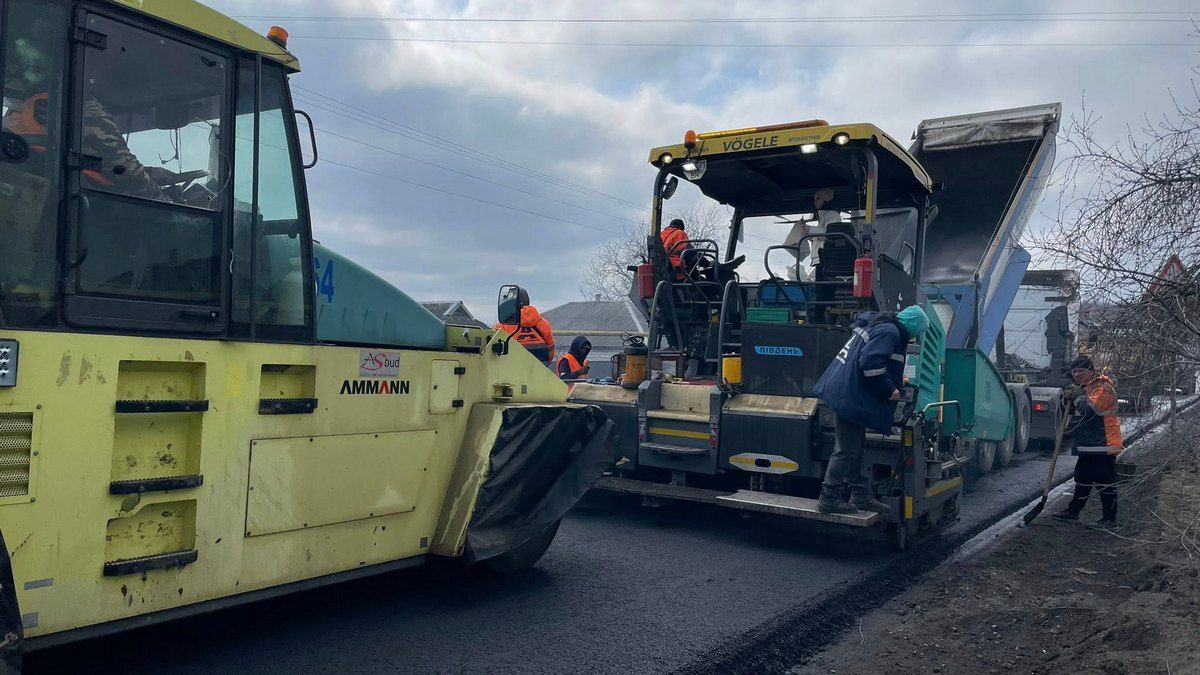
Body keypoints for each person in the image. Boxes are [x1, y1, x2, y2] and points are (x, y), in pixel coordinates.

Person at [813, 305, 930, 515]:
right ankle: (829, 499)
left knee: (855, 446)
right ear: (913, 327)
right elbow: (871, 364)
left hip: (847, 392)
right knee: (846, 450)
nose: (915, 336)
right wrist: (890, 389)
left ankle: (860, 494)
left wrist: (895, 379)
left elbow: (871, 359)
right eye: (918, 332)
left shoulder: (879, 325)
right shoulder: (889, 332)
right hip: (849, 396)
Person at [1053, 355, 1124, 526]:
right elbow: (1070, 411)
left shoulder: (1103, 388)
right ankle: (1073, 512)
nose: (1076, 374)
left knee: (1104, 482)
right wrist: (1066, 399)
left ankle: (1109, 519)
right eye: (1074, 372)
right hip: (1087, 443)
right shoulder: (1083, 389)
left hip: (1103, 444)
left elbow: (1088, 410)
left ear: (1091, 372)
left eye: (1080, 371)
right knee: (1082, 478)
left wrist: (1077, 395)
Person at [783, 188, 843, 281]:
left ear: (827, 199)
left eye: (818, 199)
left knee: (823, 285)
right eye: (815, 199)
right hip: (821, 258)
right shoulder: (824, 216)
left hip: (826, 258)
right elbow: (821, 237)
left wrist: (810, 229)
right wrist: (808, 235)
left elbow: (830, 233)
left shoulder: (833, 215)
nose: (815, 202)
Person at [495, 289, 556, 365]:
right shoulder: (543, 323)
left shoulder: (503, 325)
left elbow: (495, 352)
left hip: (512, 367)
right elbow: (550, 350)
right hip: (540, 367)